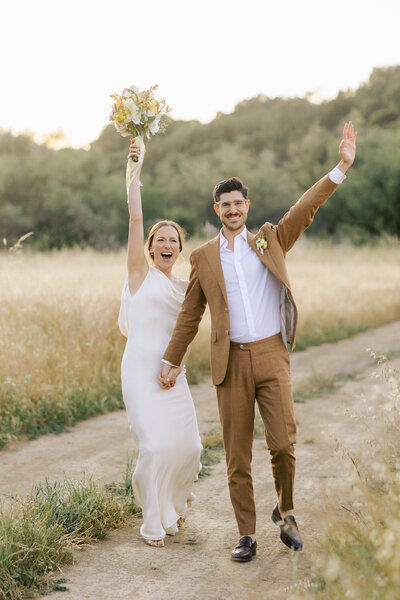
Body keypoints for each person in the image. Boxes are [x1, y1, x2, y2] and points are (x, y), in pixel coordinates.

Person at [160, 122, 357, 561]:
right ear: (217, 209)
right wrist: (171, 359)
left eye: (238, 203)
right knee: (236, 456)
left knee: (284, 443)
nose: (233, 210)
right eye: (225, 205)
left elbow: (306, 208)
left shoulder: (269, 239)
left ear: (247, 205)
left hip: (271, 354)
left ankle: (286, 511)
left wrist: (340, 167)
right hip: (229, 363)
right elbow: (191, 313)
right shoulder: (203, 258)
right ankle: (246, 533)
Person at [118, 139, 202, 548]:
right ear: (150, 247)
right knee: (153, 444)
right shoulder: (139, 275)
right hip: (139, 369)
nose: (167, 245)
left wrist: (179, 364)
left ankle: (172, 505)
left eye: (174, 241)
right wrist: (135, 165)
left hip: (173, 372)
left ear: (180, 250)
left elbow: (189, 329)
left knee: (187, 444)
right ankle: (153, 521)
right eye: (160, 239)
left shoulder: (187, 288)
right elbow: (135, 218)